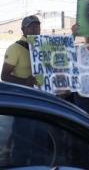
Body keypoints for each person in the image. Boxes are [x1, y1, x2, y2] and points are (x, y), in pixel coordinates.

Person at [1, 15, 51, 166]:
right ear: (23, 29)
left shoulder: (44, 47)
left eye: (37, 26)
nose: (35, 29)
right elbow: (4, 76)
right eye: (31, 26)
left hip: (43, 101)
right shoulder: (15, 48)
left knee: (40, 142)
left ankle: (39, 167)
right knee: (23, 142)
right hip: (25, 101)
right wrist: (25, 82)